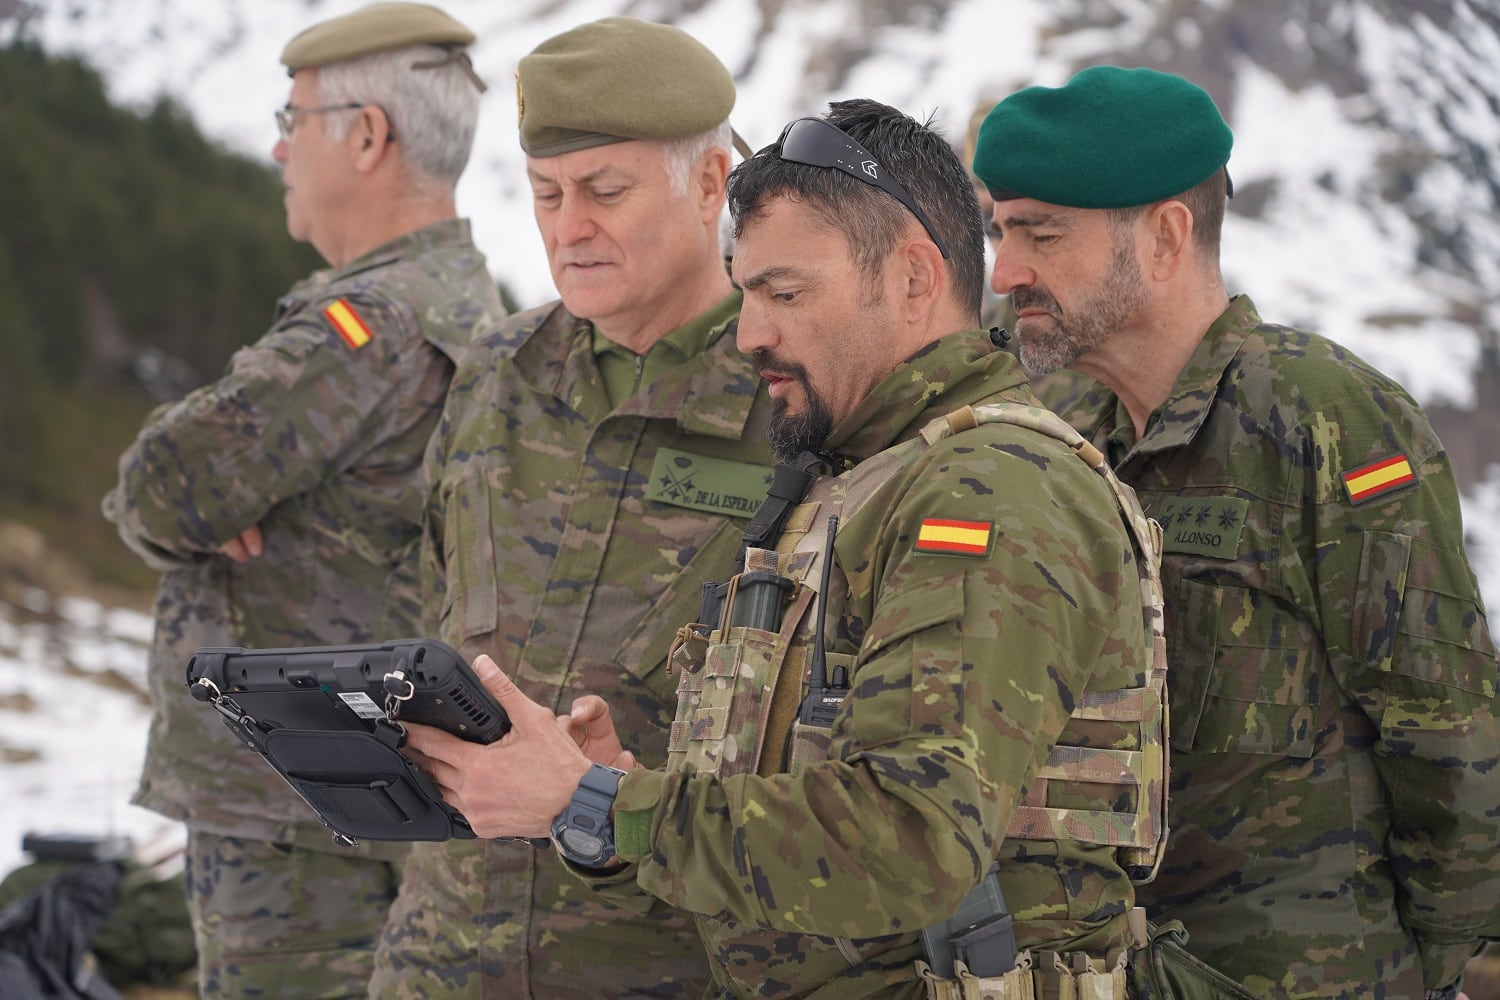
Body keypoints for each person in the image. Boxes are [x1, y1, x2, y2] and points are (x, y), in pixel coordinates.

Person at [403, 98, 1169, 999]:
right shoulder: (856, 479)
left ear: (914, 278)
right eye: (746, 293)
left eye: (785, 294)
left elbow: (912, 838)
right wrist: (610, 791)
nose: (749, 334)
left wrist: (600, 805)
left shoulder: (994, 487)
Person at [973, 65, 1500, 999]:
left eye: (1040, 234)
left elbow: (1448, 734)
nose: (1006, 272)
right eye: (1000, 233)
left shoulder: (1323, 417)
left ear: (1166, 236)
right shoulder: (1059, 435)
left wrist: (1422, 969)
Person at [367, 17, 776, 999]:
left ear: (710, 184)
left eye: (605, 191)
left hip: (661, 963)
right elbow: (435, 603)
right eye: (547, 194)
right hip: (442, 954)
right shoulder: (497, 372)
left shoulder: (794, 397)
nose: (568, 227)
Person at [101, 4, 503, 996]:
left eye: (295, 119)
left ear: (367, 137)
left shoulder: (364, 324)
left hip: (291, 793)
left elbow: (162, 484)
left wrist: (200, 503)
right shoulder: (469, 301)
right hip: (363, 776)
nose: (280, 147)